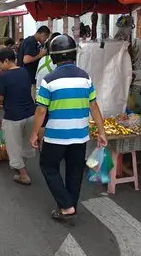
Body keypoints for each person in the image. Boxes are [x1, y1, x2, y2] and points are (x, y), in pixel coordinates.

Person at [30, 34, 107, 221]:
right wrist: (102, 132)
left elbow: (41, 111)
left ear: (54, 56)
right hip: (80, 136)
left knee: (48, 166)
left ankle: (66, 205)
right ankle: (69, 204)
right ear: (73, 54)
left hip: (56, 136)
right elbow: (94, 106)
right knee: (74, 171)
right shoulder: (85, 77)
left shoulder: (49, 80)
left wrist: (34, 134)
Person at [0, 48, 36, 185]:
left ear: (6, 61)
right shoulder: (24, 71)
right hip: (30, 113)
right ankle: (21, 166)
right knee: (25, 143)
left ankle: (23, 175)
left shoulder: (4, 76)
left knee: (13, 146)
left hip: (14, 116)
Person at [35, 32, 61, 144]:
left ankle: (42, 145)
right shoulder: (58, 63)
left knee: (43, 122)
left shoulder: (42, 60)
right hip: (52, 96)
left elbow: (37, 78)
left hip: (39, 94)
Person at [19, 26, 51, 99]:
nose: (45, 40)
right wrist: (41, 55)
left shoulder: (30, 41)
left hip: (27, 77)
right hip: (28, 78)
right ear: (43, 34)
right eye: (46, 37)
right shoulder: (31, 41)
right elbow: (26, 60)